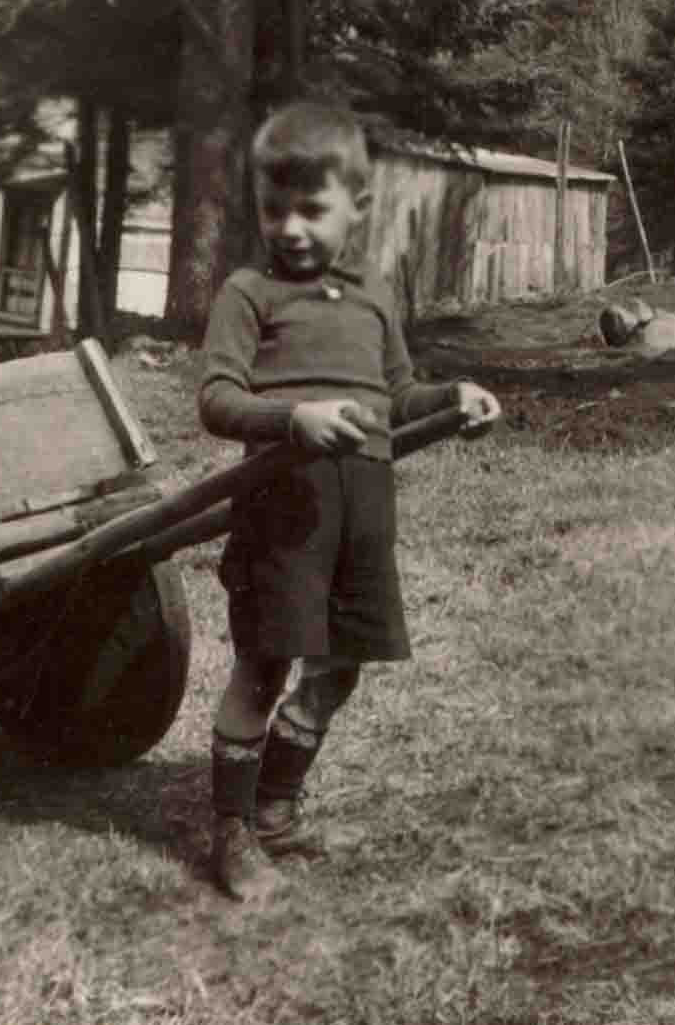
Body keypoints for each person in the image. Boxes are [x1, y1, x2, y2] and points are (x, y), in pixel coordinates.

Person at [190, 101, 502, 901]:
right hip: (281, 502)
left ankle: (276, 808)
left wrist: (453, 398)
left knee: (345, 659)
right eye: (272, 208)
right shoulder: (248, 292)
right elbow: (217, 398)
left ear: (357, 208)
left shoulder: (369, 294)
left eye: (311, 209)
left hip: (363, 502)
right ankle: (229, 831)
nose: (289, 228)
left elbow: (396, 393)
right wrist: (289, 419)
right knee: (265, 663)